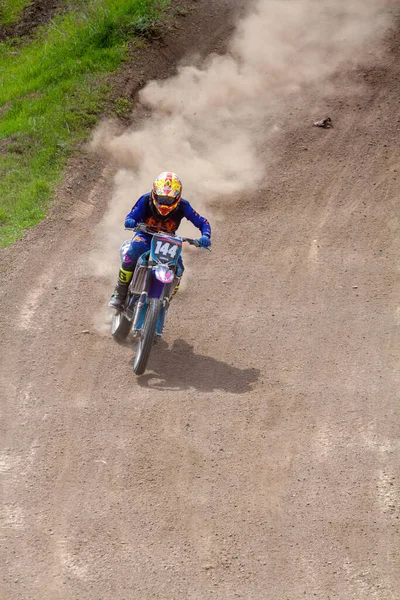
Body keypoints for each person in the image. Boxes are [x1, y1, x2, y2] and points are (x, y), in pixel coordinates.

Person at [109, 171, 212, 309]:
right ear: (155, 193)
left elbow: (203, 222)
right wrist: (131, 221)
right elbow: (131, 216)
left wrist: (205, 236)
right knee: (132, 254)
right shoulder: (145, 200)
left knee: (179, 269)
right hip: (145, 235)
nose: (164, 203)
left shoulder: (183, 206)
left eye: (169, 200)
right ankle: (119, 293)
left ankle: (165, 300)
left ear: (177, 197)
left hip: (168, 241)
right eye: (162, 198)